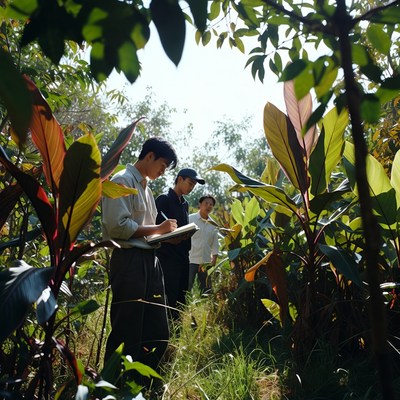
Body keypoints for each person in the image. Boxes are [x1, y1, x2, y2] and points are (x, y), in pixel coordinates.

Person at [101, 137, 178, 375]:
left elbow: (147, 228)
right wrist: (159, 229)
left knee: (157, 327)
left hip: (150, 260)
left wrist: (168, 236)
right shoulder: (122, 180)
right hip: (129, 260)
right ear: (150, 156)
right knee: (127, 325)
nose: (162, 172)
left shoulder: (146, 188)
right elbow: (117, 226)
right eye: (162, 166)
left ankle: (140, 379)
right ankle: (113, 382)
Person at [155, 168, 205, 319]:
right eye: (190, 183)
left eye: (194, 185)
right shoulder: (163, 199)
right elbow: (154, 229)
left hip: (183, 256)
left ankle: (177, 331)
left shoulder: (185, 204)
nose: (191, 187)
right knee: (168, 296)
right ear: (179, 179)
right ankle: (165, 332)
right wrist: (170, 239)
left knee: (181, 296)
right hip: (167, 257)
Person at [188, 195, 219, 293]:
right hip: (190, 259)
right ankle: (184, 306)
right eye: (206, 203)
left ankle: (205, 306)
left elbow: (215, 243)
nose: (208, 206)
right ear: (200, 204)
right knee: (187, 286)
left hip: (204, 261)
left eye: (211, 205)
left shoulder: (213, 224)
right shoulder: (190, 219)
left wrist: (214, 257)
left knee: (206, 289)